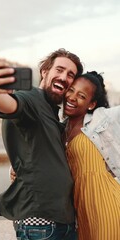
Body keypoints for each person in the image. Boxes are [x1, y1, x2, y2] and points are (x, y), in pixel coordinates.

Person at [0, 49, 83, 240]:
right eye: (59, 70)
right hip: (40, 223)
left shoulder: (51, 110)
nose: (64, 77)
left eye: (70, 75)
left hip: (61, 222)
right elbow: (11, 105)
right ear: (44, 72)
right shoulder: (30, 97)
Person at [63, 71, 120, 240]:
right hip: (82, 211)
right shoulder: (60, 128)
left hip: (108, 204)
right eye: (71, 90)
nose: (72, 97)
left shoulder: (101, 118)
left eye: (81, 95)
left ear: (91, 104)